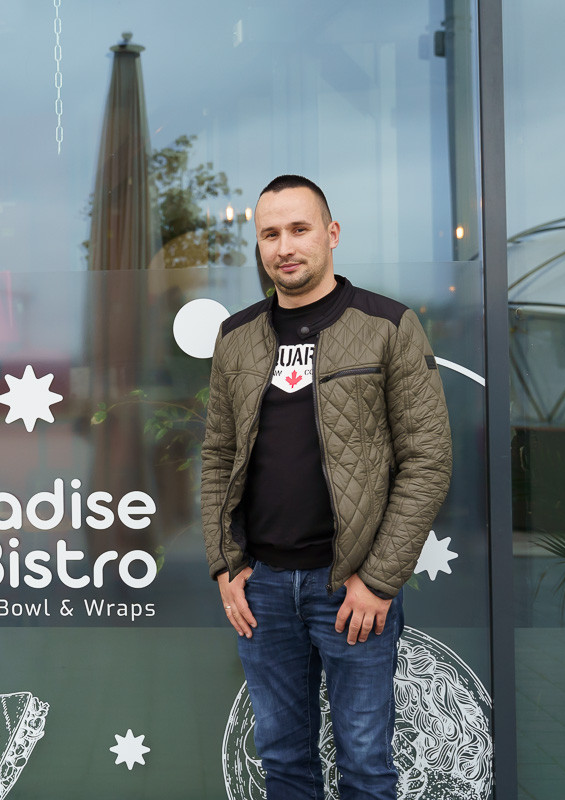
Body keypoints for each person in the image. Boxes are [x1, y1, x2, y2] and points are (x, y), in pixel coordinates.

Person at [201, 175, 452, 799]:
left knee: (365, 765)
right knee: (283, 762)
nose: (284, 247)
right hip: (262, 590)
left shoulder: (388, 325)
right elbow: (218, 457)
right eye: (270, 234)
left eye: (299, 229)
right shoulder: (236, 337)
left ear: (331, 234)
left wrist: (379, 580)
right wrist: (226, 564)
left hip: (350, 590)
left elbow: (428, 460)